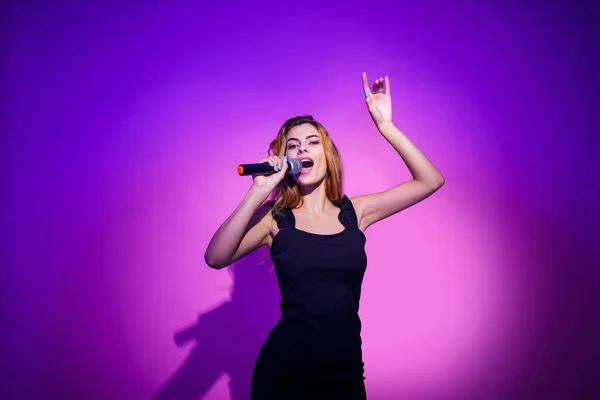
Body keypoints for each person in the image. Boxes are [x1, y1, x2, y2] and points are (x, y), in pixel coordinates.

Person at [204, 73, 444, 399]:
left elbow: (430, 180)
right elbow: (215, 258)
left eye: (312, 142)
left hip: (344, 372)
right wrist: (257, 193)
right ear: (286, 160)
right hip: (284, 373)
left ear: (326, 155)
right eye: (294, 145)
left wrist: (386, 125)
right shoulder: (274, 220)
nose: (303, 149)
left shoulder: (355, 212)